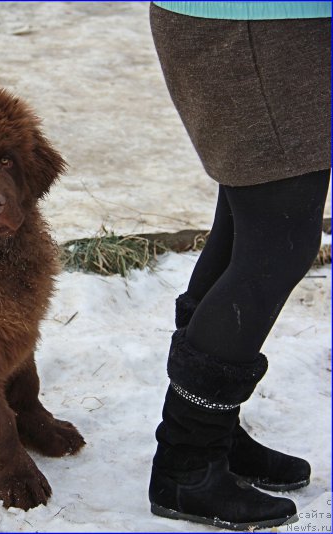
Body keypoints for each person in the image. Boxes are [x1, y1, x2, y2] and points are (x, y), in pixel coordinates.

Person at [147, 1, 331, 530]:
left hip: (262, 25)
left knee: (247, 229)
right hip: (255, 24)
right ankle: (187, 463)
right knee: (279, 243)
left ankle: (211, 434)